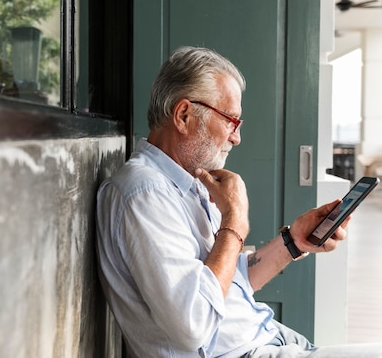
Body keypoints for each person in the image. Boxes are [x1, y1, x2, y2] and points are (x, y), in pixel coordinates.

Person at [96, 46, 382, 357]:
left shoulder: (185, 183)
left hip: (270, 337)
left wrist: (293, 242)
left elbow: (226, 282)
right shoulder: (145, 193)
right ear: (184, 115)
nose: (236, 137)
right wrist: (234, 222)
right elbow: (193, 323)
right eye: (231, 120)